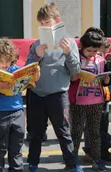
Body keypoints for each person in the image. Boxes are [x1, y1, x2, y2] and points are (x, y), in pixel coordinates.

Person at [25, 3, 82, 172]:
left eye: (47, 22)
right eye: (41, 24)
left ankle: (73, 164)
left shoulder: (69, 43)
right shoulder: (36, 45)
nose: (44, 26)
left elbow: (76, 71)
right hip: (36, 94)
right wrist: (37, 56)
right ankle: (33, 163)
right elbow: (27, 70)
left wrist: (68, 53)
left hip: (58, 95)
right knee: (35, 133)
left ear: (57, 21)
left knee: (63, 132)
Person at [0, 38, 40, 172]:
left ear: (12, 58)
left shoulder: (17, 70)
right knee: (0, 147)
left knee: (16, 147)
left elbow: (33, 80)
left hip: (17, 112)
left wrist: (36, 72)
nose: (5, 65)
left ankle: (16, 169)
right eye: (1, 61)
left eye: (7, 60)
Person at [70, 27, 109, 171]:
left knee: (95, 133)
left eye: (95, 51)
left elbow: (104, 81)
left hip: (96, 101)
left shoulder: (100, 59)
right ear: (82, 47)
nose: (92, 54)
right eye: (89, 51)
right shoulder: (77, 59)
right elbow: (72, 78)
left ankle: (97, 159)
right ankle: (72, 161)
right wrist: (77, 75)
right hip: (79, 102)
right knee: (76, 132)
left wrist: (105, 80)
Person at [82, 37, 111, 162]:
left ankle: (101, 150)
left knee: (102, 125)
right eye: (101, 53)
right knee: (92, 127)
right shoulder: (88, 61)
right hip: (90, 97)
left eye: (106, 53)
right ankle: (90, 151)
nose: (103, 55)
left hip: (103, 97)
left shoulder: (104, 62)